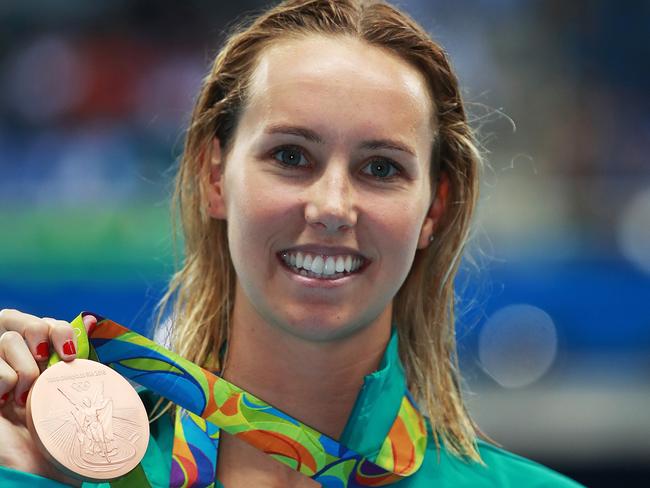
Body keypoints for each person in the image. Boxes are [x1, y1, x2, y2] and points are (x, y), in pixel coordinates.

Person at [0, 0, 584, 486]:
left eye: (380, 168)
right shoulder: (51, 461)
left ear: (434, 208)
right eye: (290, 156)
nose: (332, 207)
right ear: (214, 178)